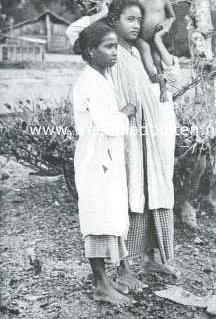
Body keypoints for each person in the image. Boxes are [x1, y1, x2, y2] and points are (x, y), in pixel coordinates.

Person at [67, 0, 181, 293]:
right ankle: (120, 269)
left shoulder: (136, 51)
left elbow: (172, 78)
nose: (136, 25)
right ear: (113, 21)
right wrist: (102, 13)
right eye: (129, 19)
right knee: (125, 201)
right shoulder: (106, 57)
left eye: (138, 19)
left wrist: (157, 41)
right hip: (123, 141)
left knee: (151, 193)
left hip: (150, 138)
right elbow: (74, 35)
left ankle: (149, 258)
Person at [73, 21, 137, 306]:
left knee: (110, 214)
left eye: (116, 46)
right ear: (90, 51)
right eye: (109, 47)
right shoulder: (90, 82)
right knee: (97, 217)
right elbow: (109, 124)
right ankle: (100, 283)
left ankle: (110, 277)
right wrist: (127, 111)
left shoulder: (102, 77)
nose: (115, 52)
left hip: (105, 158)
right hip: (95, 160)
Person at [136, 0, 176, 103]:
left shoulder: (164, 1)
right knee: (144, 51)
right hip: (141, 37)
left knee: (158, 61)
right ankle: (151, 75)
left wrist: (166, 26)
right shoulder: (138, 1)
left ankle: (163, 89)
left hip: (156, 38)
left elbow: (172, 17)